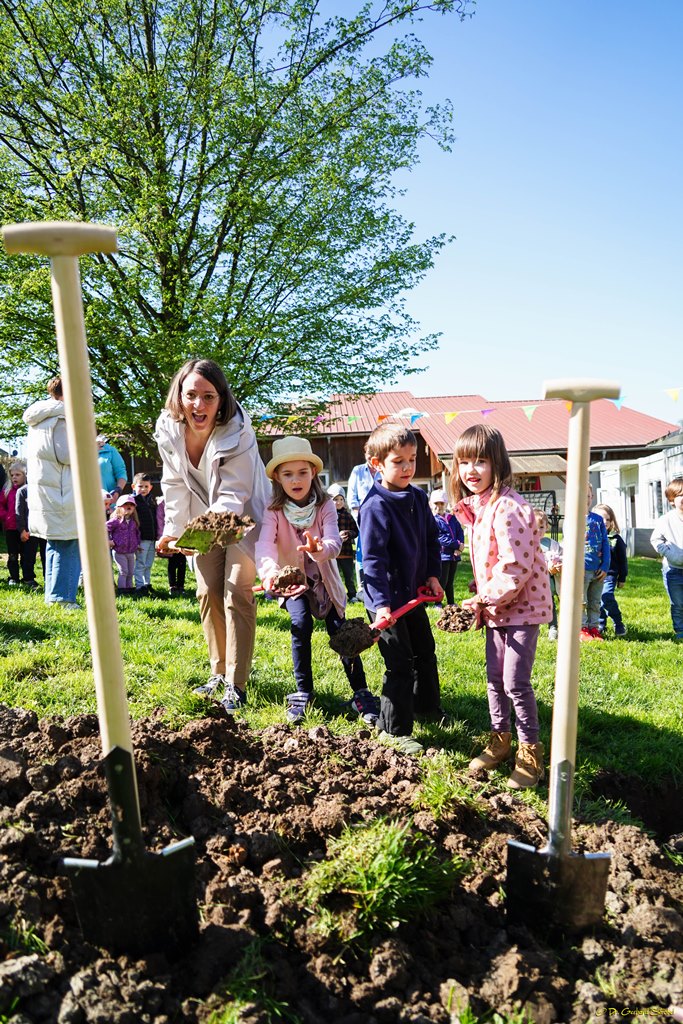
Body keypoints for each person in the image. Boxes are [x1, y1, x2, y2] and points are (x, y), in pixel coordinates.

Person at [155, 358, 270, 711]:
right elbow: (174, 484)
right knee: (207, 591)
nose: (198, 405)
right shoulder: (169, 430)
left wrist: (196, 535)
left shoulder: (240, 433)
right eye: (191, 395)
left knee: (236, 590)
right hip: (202, 517)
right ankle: (217, 673)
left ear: (222, 399)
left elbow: (233, 495)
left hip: (245, 515)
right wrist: (175, 532)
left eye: (208, 396)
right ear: (179, 395)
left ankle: (237, 685)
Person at [452, 424, 551, 790]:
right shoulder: (479, 508)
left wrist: (482, 596)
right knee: (494, 678)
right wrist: (480, 589)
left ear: (498, 464)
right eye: (464, 462)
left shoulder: (508, 507)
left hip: (523, 607)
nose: (471, 471)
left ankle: (530, 753)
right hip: (497, 607)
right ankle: (500, 741)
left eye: (481, 461)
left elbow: (515, 568)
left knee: (515, 681)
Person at [256, 437, 379, 725]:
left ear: (314, 473)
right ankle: (303, 691)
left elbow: (334, 542)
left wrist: (319, 549)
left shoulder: (325, 506)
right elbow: (264, 545)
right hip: (293, 582)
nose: (296, 480)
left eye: (302, 472)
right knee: (300, 624)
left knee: (342, 632)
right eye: (288, 474)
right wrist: (270, 572)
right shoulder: (273, 510)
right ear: (277, 477)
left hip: (325, 582)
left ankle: (360, 690)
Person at [359, 423, 445, 755]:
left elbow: (429, 541)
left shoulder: (419, 497)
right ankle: (394, 729)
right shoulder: (374, 506)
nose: (408, 467)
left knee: (424, 651)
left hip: (413, 595)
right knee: (399, 662)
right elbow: (374, 561)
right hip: (386, 603)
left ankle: (426, 707)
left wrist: (433, 576)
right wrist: (381, 605)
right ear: (377, 464)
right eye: (398, 461)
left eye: (411, 459)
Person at [23, 376, 82, 609]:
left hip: (51, 490)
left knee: (56, 544)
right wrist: (89, 446)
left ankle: (53, 596)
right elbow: (66, 454)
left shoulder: (41, 419)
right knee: (67, 543)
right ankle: (62, 598)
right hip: (61, 492)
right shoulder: (61, 417)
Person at [650, 477, 683, 641]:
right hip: (673, 570)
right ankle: (680, 631)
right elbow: (656, 540)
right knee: (678, 604)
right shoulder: (666, 520)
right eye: (679, 495)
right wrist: (671, 554)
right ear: (672, 499)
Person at [347, 443, 381, 588]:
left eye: (373, 452)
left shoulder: (383, 470)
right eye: (368, 452)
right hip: (362, 518)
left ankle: (379, 580)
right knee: (362, 551)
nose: (370, 455)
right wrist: (359, 517)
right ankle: (363, 586)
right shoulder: (358, 471)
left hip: (381, 517)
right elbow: (352, 498)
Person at [580, 485, 611, 642]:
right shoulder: (573, 519)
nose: (586, 499)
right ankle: (582, 628)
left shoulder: (598, 520)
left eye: (588, 496)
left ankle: (594, 628)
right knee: (581, 601)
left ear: (592, 497)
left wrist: (605, 566)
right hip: (581, 570)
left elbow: (605, 543)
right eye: (582, 495)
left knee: (595, 601)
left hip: (598, 569)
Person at [592, 503, 628, 637]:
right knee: (596, 600)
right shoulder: (591, 538)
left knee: (606, 596)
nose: (605, 522)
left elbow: (623, 560)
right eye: (602, 519)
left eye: (608, 519)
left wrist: (622, 578)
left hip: (609, 575)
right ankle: (601, 623)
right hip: (594, 574)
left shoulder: (616, 540)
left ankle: (618, 622)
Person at [429, 487, 464, 606]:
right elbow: (440, 538)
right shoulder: (434, 520)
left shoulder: (452, 518)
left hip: (454, 555)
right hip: (443, 555)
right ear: (431, 504)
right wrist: (457, 544)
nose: (439, 506)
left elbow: (459, 531)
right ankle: (437, 602)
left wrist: (460, 545)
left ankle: (451, 602)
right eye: (436, 503)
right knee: (442, 581)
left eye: (441, 503)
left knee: (450, 581)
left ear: (446, 504)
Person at [327, 483, 359, 602]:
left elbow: (356, 531)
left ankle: (352, 595)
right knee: (333, 576)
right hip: (332, 553)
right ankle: (335, 596)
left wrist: (349, 534)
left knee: (348, 576)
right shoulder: (328, 515)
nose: (338, 502)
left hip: (346, 552)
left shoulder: (348, 516)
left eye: (341, 499)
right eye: (335, 499)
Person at [534, 508, 562, 641]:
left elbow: (561, 556)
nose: (538, 531)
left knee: (550, 604)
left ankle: (553, 627)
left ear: (546, 527)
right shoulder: (528, 544)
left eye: (541, 527)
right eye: (534, 527)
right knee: (534, 606)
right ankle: (535, 628)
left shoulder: (551, 544)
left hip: (548, 582)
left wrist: (556, 563)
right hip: (533, 583)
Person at [0, 462, 28, 586]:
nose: (14, 477)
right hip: (10, 528)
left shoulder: (28, 491)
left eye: (18, 474)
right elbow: (1, 505)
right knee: (12, 554)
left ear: (25, 475)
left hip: (25, 529)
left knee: (26, 554)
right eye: (12, 475)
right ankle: (14, 577)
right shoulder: (7, 491)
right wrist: (5, 516)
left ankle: (27, 577)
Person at [107, 494, 141, 594]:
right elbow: (103, 528)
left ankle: (129, 588)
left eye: (131, 504)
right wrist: (109, 541)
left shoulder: (133, 522)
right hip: (119, 551)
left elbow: (137, 533)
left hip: (130, 551)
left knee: (130, 572)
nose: (128, 506)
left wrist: (137, 544)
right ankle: (122, 590)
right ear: (119, 507)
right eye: (125, 504)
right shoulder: (116, 521)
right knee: (124, 571)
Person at [132, 472, 158, 596]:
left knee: (149, 563)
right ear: (133, 487)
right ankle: (139, 586)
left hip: (152, 537)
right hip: (141, 538)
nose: (143, 489)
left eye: (146, 486)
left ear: (150, 487)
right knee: (141, 563)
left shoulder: (151, 501)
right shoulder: (133, 502)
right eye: (140, 486)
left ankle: (147, 583)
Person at [156, 496, 187, 596]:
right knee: (172, 563)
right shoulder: (162, 504)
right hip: (169, 537)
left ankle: (181, 586)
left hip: (182, 536)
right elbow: (160, 521)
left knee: (182, 562)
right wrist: (163, 537)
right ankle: (172, 585)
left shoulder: (182, 500)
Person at [15, 481, 44, 586]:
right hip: (28, 529)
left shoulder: (45, 490)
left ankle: (49, 579)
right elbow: (19, 512)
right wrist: (22, 530)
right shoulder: (22, 491)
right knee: (28, 555)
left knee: (46, 555)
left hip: (45, 528)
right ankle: (28, 579)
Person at [97, 435, 128, 499]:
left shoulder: (110, 450)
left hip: (108, 501)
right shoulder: (74, 451)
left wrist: (118, 490)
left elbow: (121, 472)